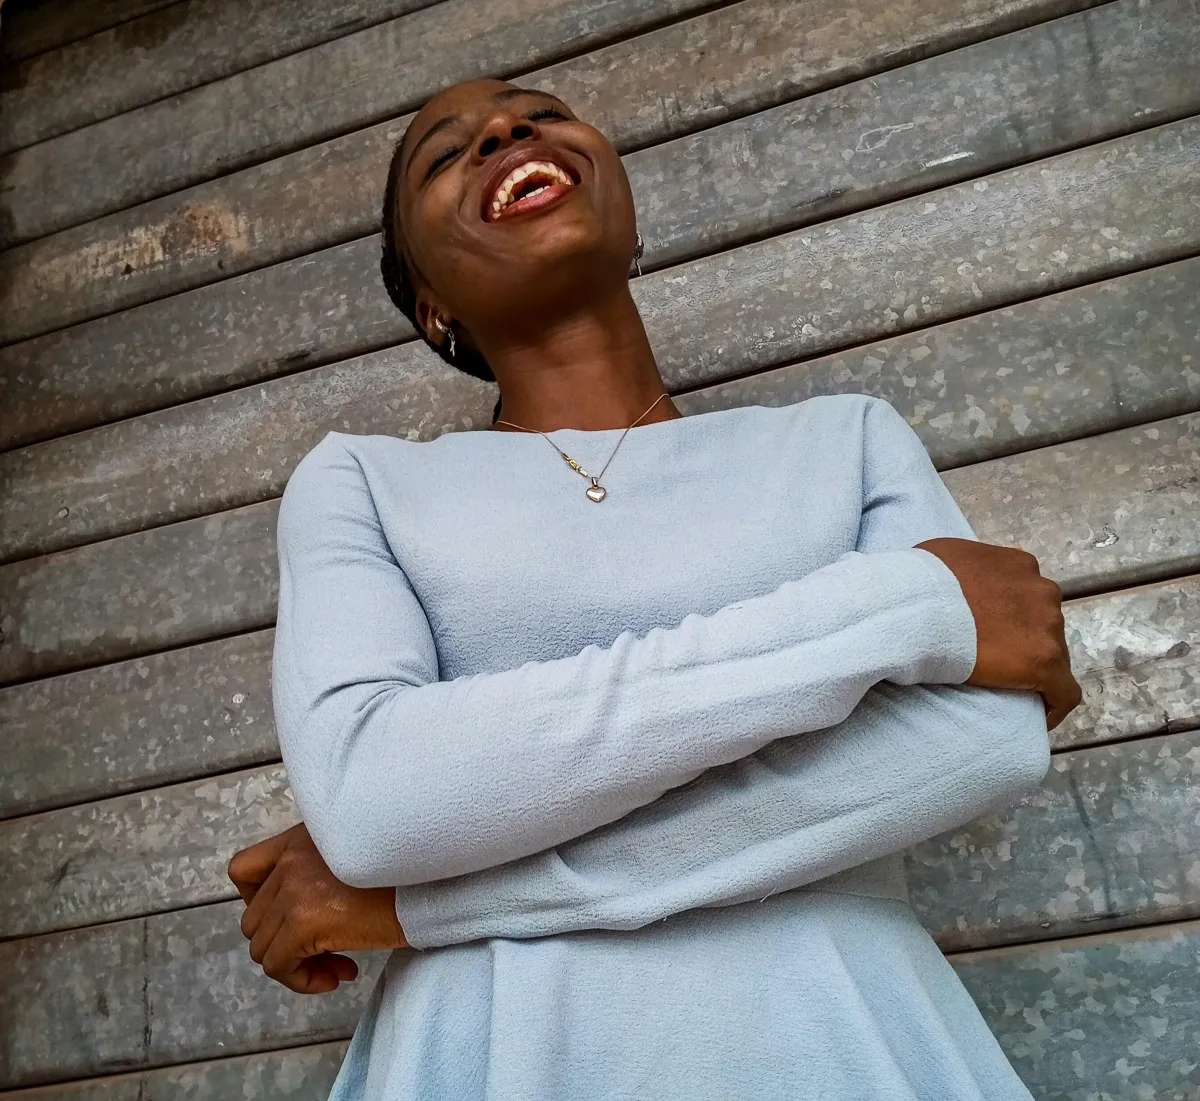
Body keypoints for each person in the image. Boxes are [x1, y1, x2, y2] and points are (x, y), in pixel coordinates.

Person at [228, 78, 1081, 1101]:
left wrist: (422, 907)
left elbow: (981, 745)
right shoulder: (362, 482)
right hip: (497, 1054)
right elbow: (376, 800)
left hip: (839, 1040)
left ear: (629, 219)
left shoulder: (846, 440)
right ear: (429, 306)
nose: (507, 130)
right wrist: (904, 612)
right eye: (445, 155)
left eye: (542, 114)